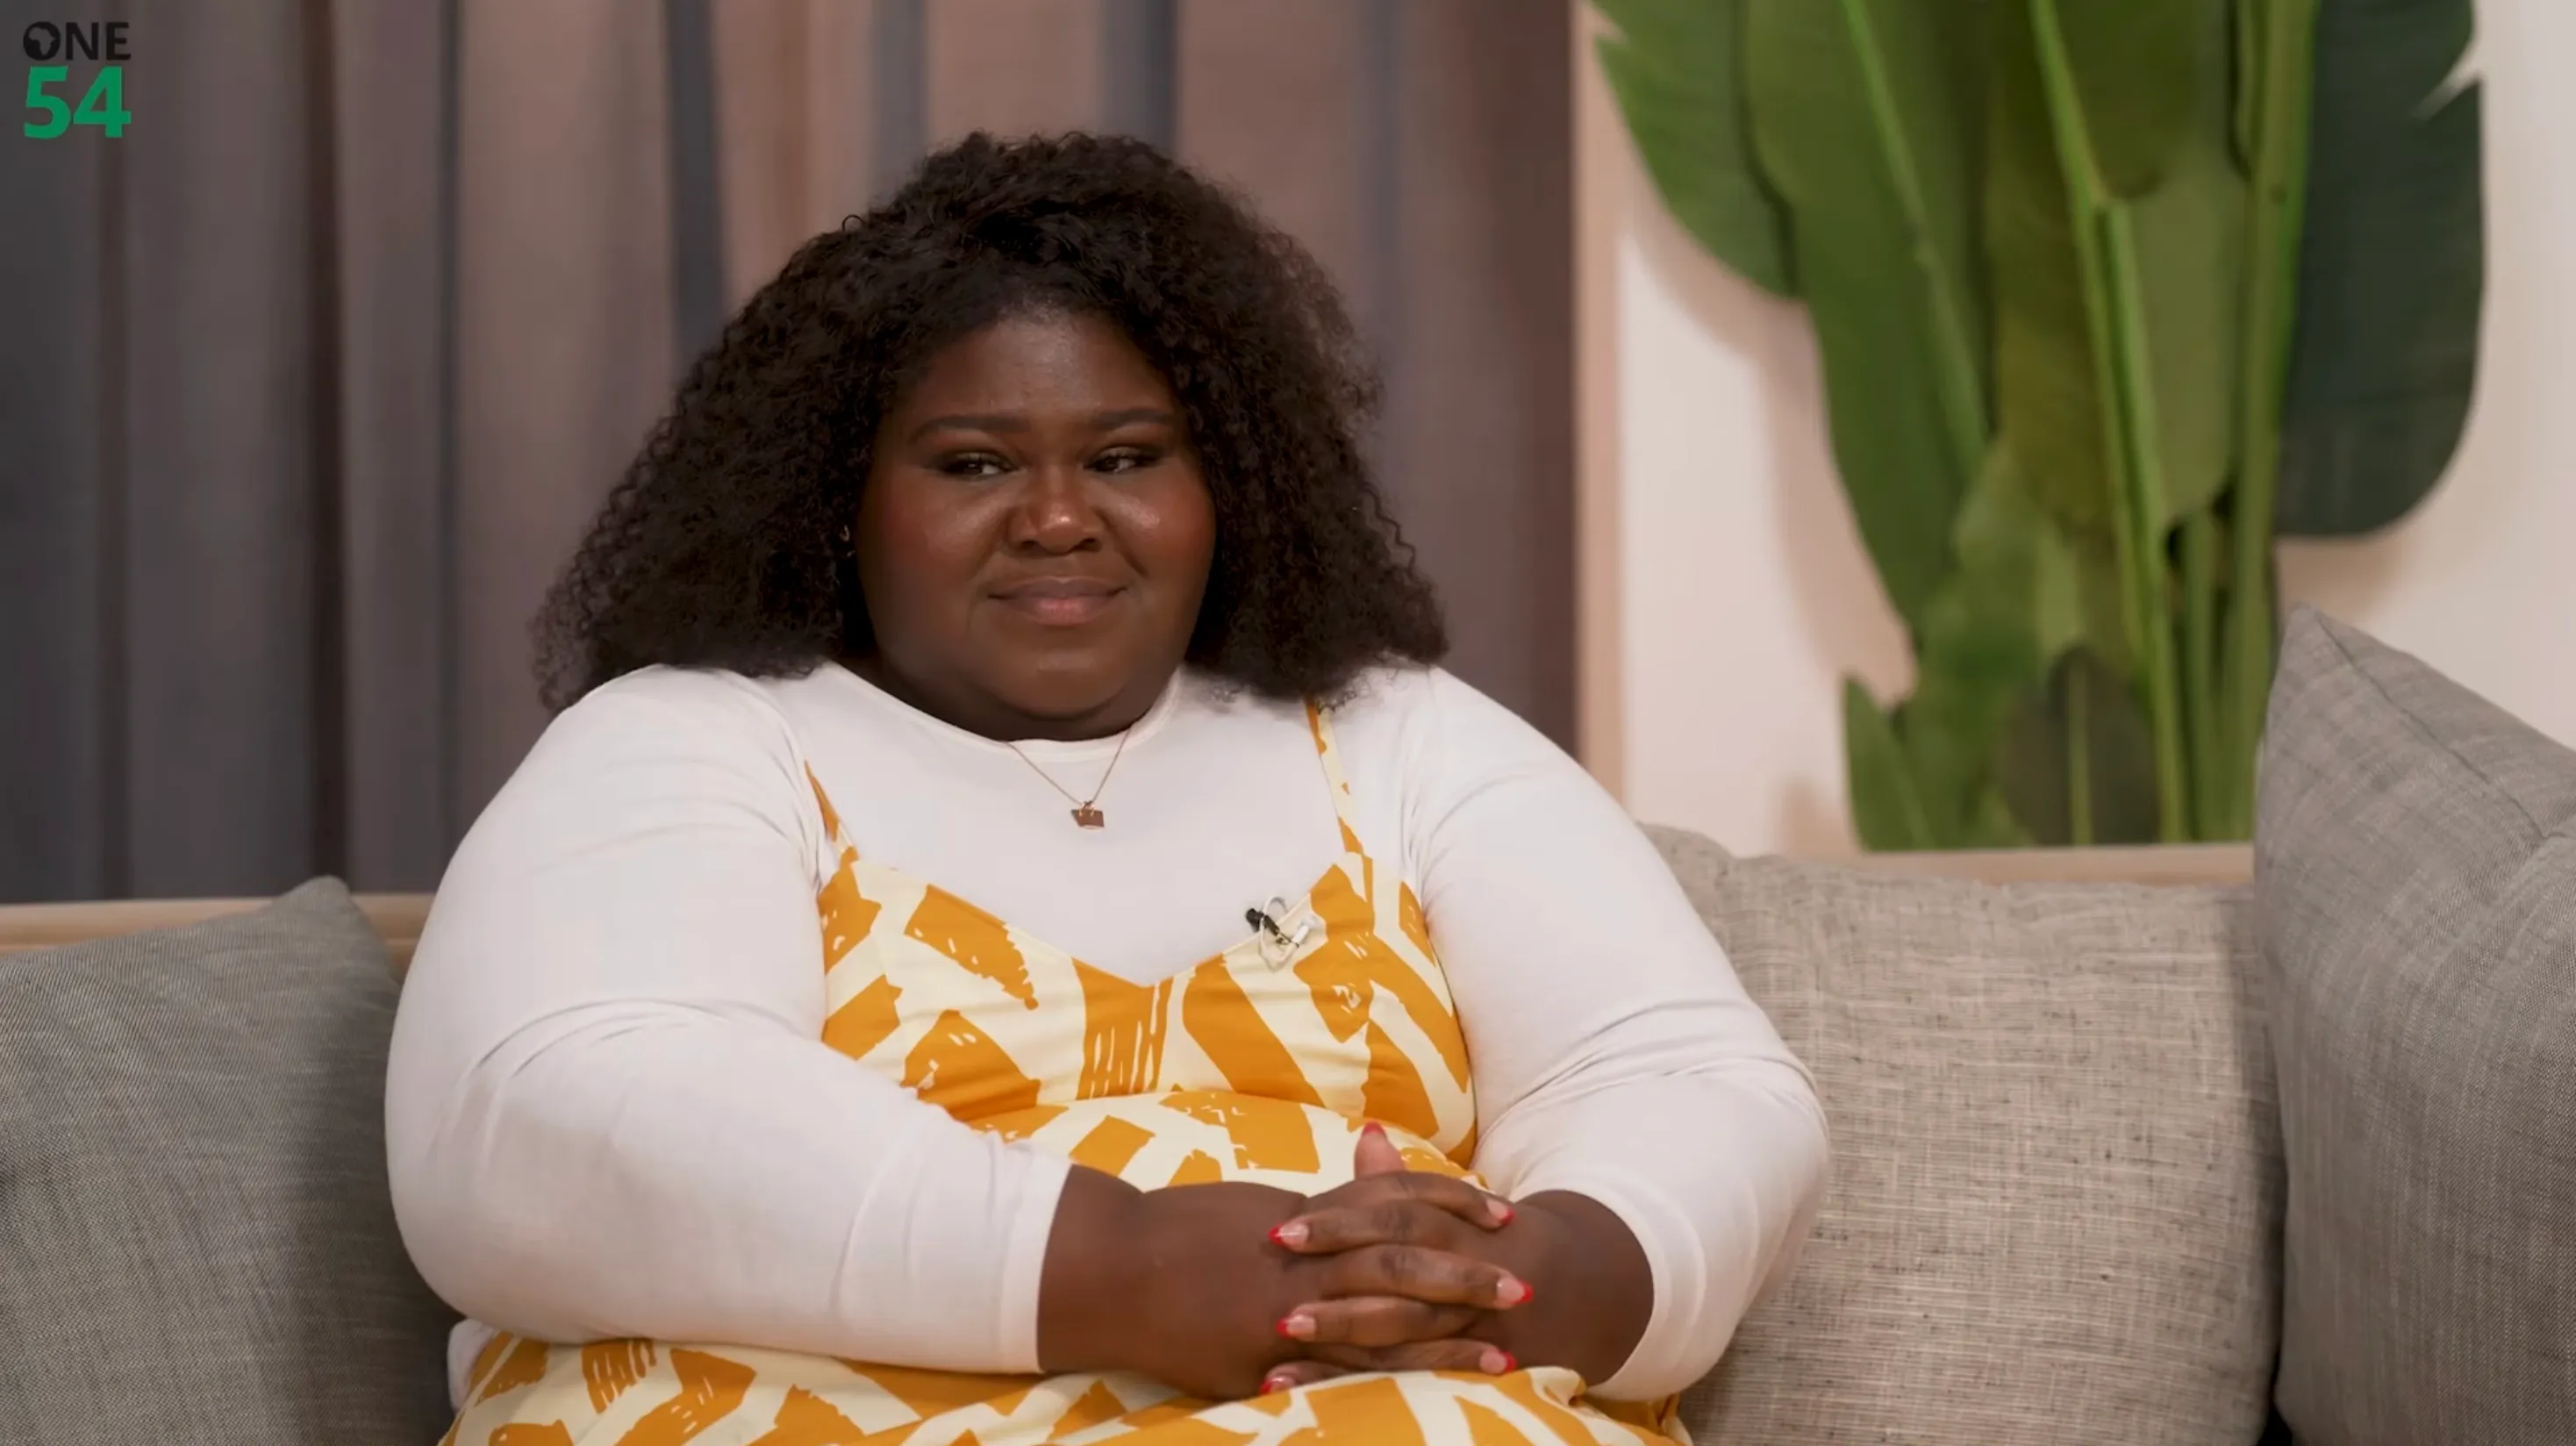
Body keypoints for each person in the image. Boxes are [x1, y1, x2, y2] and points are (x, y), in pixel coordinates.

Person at [385, 132, 1828, 1446]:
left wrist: (1520, 1278)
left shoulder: (1397, 737)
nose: (1061, 518)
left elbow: (1681, 1079)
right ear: (840, 496)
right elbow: (556, 1122)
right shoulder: (693, 739)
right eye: (973, 463)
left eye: (1128, 458)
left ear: (1230, 490)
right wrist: (1129, 1271)